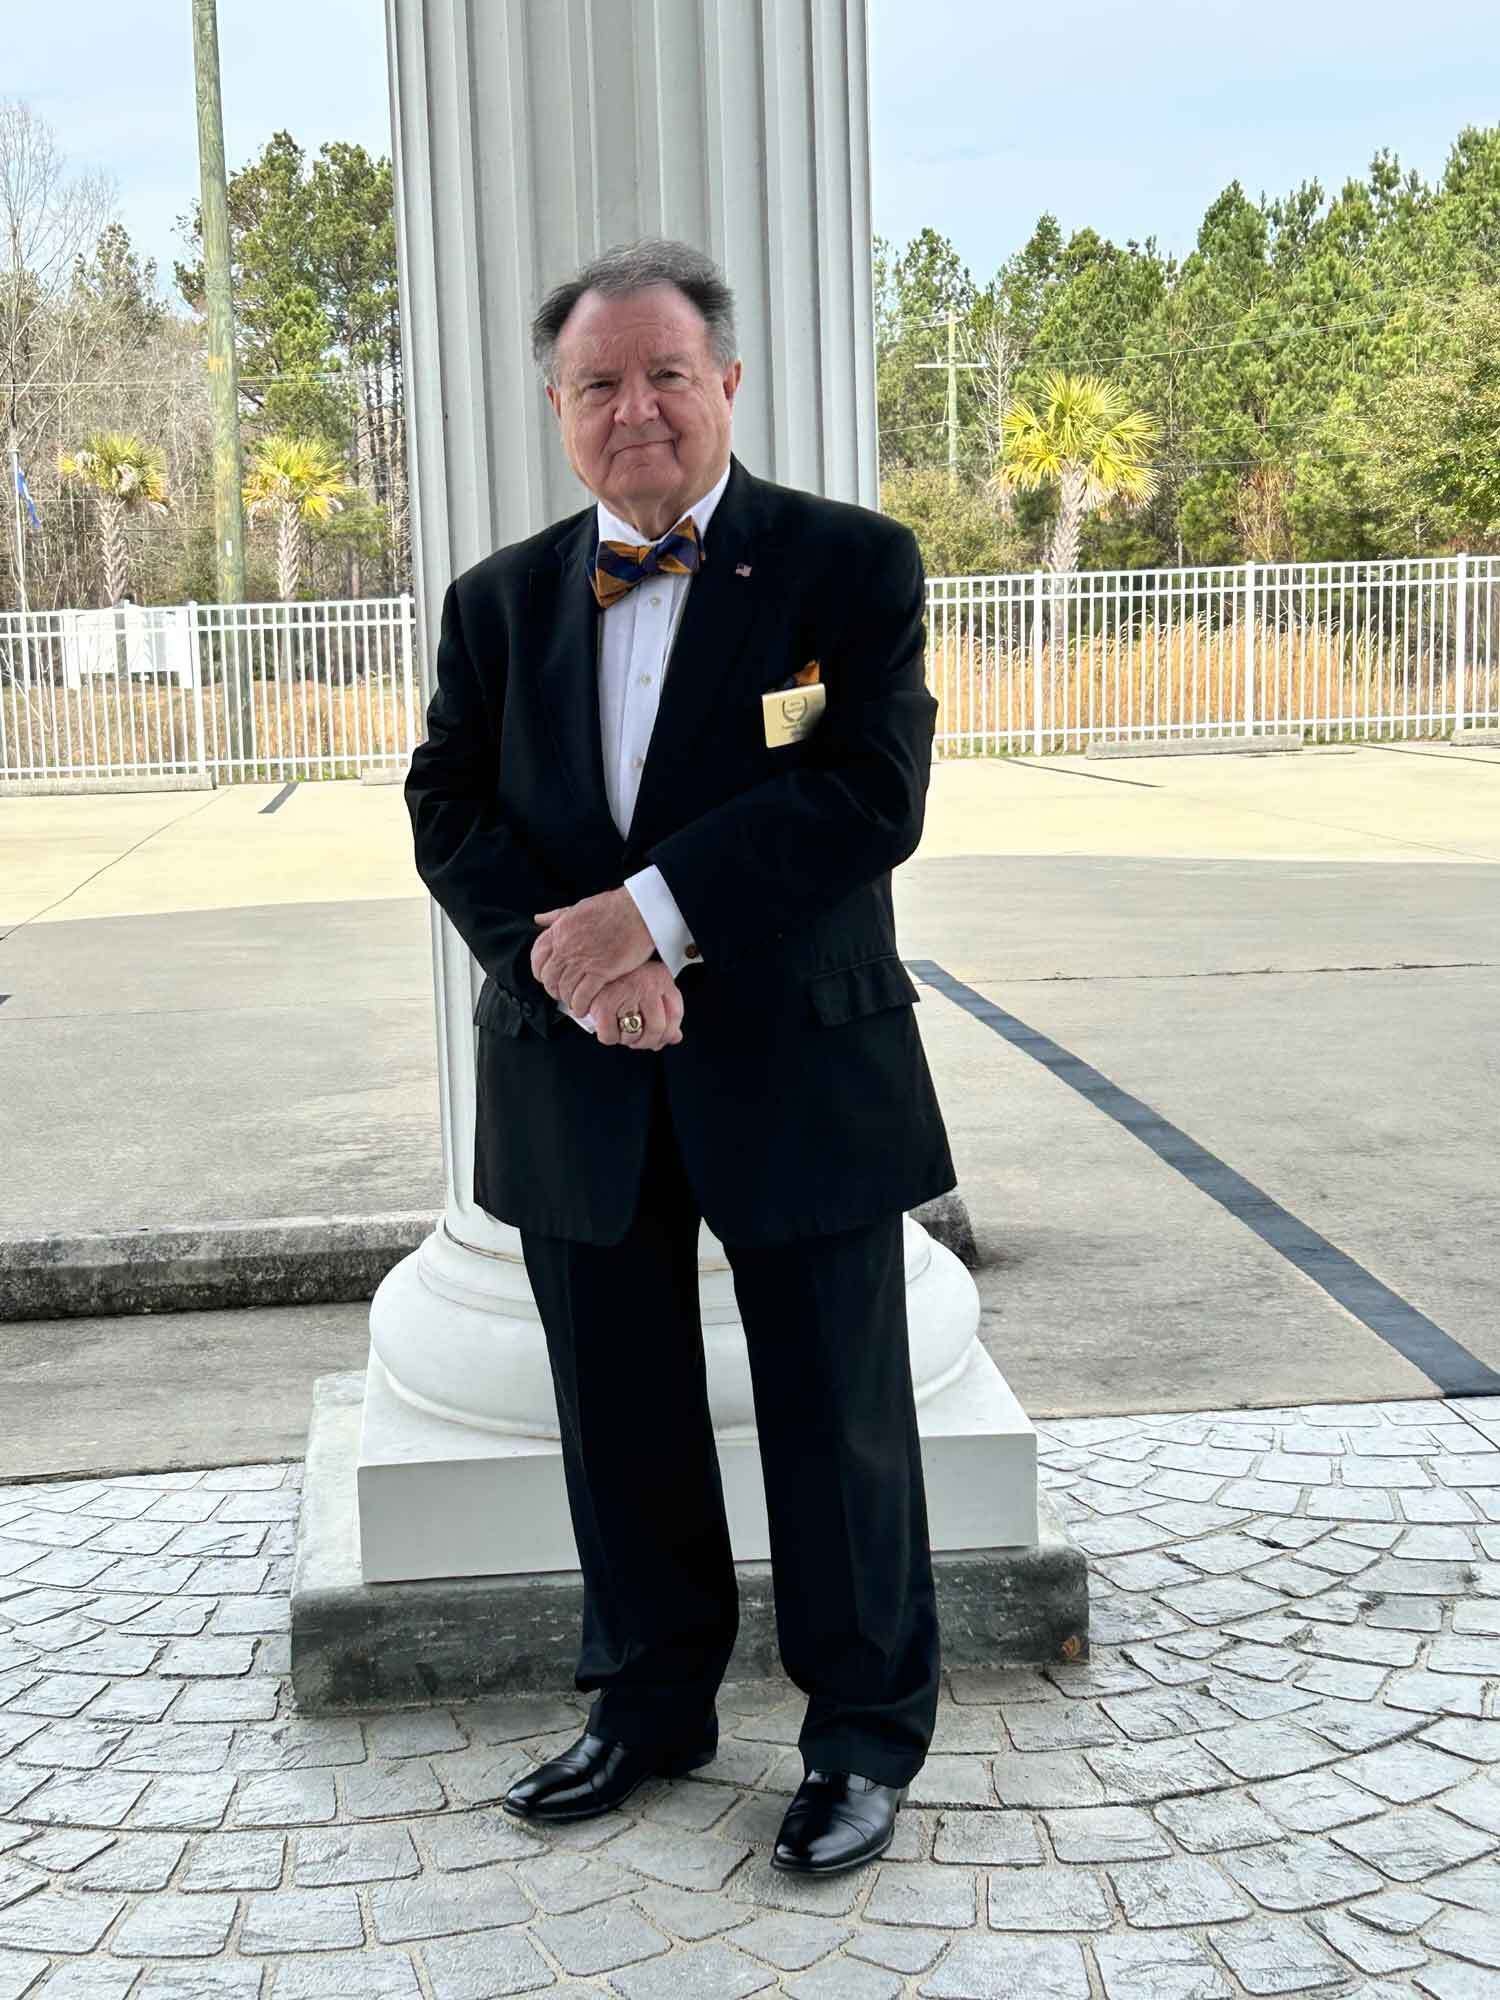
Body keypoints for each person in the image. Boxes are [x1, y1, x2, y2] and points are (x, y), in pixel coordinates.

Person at [404, 238, 955, 1875]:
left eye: (663, 374)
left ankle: (861, 1738)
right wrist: (573, 965)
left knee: (838, 1415)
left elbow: (870, 793)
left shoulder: (849, 564)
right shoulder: (499, 601)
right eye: (596, 383)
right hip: (579, 1073)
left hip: (798, 1061)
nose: (631, 407)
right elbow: (450, 806)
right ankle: (648, 1705)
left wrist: (651, 918)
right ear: (557, 408)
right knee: (619, 1412)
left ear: (726, 381)